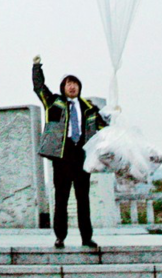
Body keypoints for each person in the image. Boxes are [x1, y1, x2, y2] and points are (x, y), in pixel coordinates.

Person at [32, 56, 107, 249]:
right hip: (62, 156)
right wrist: (37, 67)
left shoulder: (89, 108)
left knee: (83, 199)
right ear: (63, 87)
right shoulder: (54, 103)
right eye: (68, 84)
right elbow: (39, 87)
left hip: (82, 157)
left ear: (79, 87)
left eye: (75, 83)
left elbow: (104, 127)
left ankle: (86, 237)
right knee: (61, 198)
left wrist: (114, 114)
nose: (72, 87)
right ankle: (60, 236)